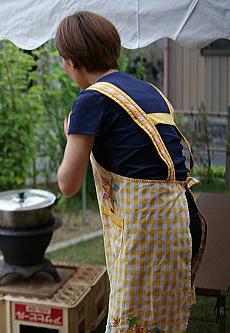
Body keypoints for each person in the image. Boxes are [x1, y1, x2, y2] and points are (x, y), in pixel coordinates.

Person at [55, 11, 206, 332]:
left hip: (145, 232)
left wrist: (72, 133)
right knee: (162, 320)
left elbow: (67, 184)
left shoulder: (92, 100)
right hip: (178, 221)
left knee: (132, 322)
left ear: (71, 61)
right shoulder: (149, 91)